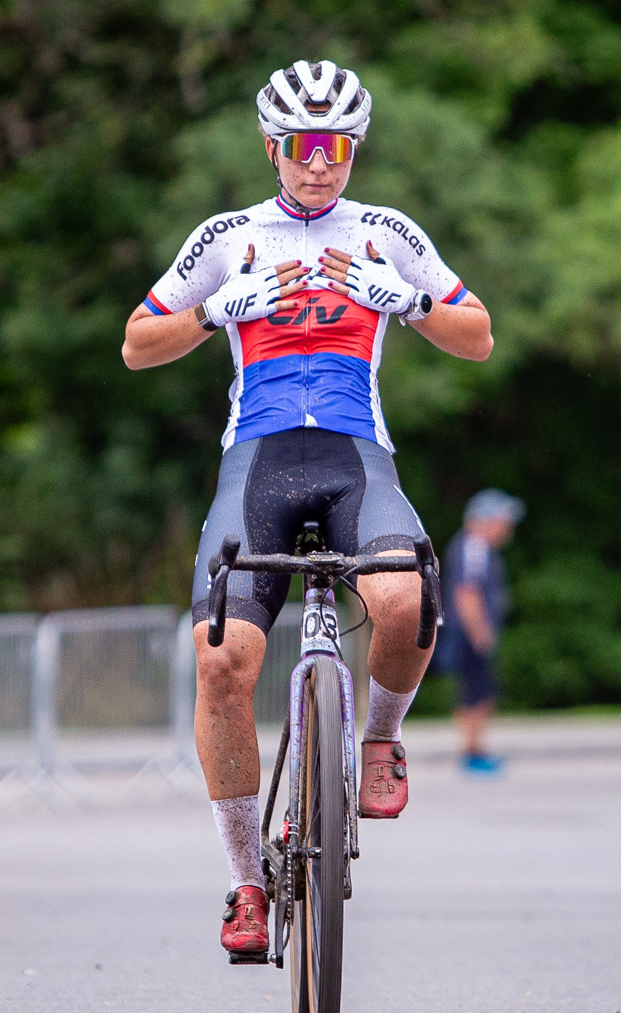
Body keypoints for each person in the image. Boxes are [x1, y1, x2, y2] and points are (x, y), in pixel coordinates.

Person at [122, 60, 494, 961]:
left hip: (355, 458)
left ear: (354, 148)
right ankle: (248, 880)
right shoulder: (225, 236)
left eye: (336, 147)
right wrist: (214, 311)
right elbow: (137, 344)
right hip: (255, 466)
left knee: (406, 599)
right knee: (221, 661)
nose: (319, 165)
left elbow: (477, 334)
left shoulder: (387, 233)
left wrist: (404, 301)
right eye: (302, 147)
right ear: (272, 148)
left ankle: (378, 739)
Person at [442, 488, 524, 777]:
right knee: (476, 692)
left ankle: (475, 749)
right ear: (485, 520)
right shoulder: (474, 546)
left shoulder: (476, 546)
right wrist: (480, 632)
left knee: (479, 691)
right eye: (503, 521)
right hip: (468, 632)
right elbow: (467, 591)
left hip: (469, 631)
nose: (507, 529)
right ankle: (472, 751)